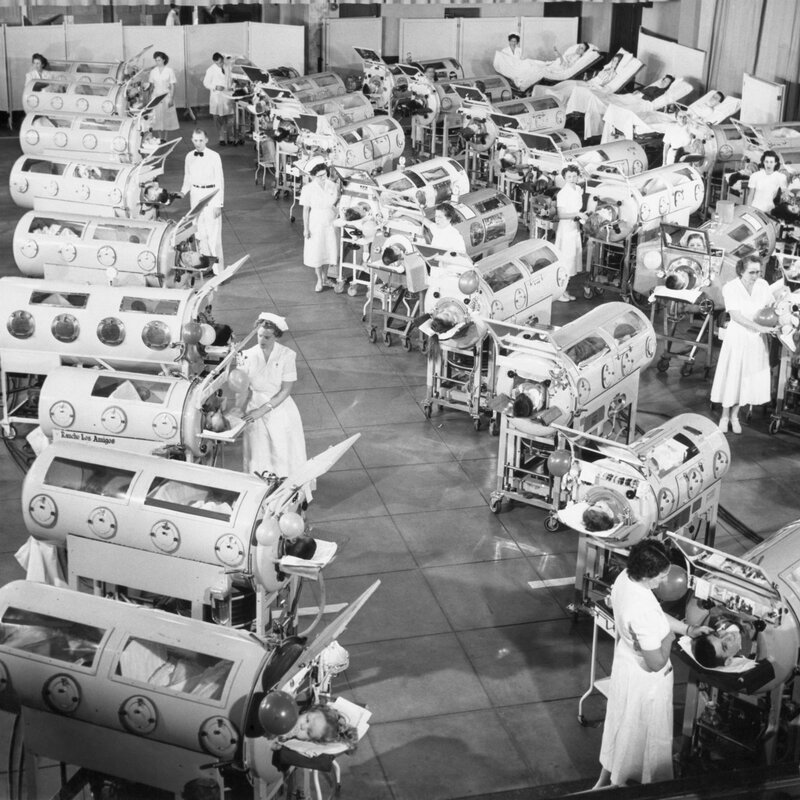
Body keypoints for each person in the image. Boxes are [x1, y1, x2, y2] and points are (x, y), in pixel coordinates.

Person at [593, 540, 712, 790]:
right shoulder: (641, 611)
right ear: (647, 574)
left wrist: (689, 629)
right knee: (644, 735)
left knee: (621, 724)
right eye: (661, 576)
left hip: (626, 665)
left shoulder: (627, 577)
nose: (663, 582)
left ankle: (608, 780)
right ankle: (642, 786)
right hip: (646, 681)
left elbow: (656, 612)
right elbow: (657, 662)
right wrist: (670, 638)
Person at [235, 313, 311, 496]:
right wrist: (238, 408)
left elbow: (285, 391)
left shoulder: (287, 355)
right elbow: (242, 387)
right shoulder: (246, 355)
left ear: (276, 336)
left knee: (283, 452)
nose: (262, 340)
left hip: (280, 408)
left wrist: (261, 411)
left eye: (267, 337)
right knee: (259, 452)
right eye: (259, 335)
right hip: (254, 408)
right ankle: (259, 494)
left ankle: (288, 493)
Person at [710, 256, 777, 433]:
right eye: (752, 272)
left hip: (755, 340)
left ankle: (735, 415)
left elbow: (771, 304)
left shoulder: (762, 285)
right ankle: (725, 415)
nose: (756, 276)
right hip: (737, 337)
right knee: (732, 376)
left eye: (758, 272)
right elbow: (736, 317)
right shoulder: (730, 288)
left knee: (746, 378)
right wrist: (760, 327)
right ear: (741, 271)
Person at [179, 129, 225, 272]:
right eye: (195, 140)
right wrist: (182, 191)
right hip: (195, 194)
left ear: (206, 140)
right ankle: (205, 267)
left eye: (200, 140)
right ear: (192, 140)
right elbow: (188, 177)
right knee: (200, 234)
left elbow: (219, 180)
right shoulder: (189, 156)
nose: (197, 143)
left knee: (213, 234)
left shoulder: (214, 156)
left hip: (211, 195)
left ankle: (219, 271)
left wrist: (218, 204)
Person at [299, 161, 339, 292]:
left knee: (328, 250)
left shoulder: (332, 185)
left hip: (330, 220)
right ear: (312, 176)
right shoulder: (308, 189)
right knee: (317, 252)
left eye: (324, 174)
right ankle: (319, 280)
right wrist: (306, 229)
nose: (323, 178)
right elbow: (305, 210)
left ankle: (326, 277)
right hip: (315, 222)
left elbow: (334, 203)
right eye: (320, 176)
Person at [555, 164, 586, 301]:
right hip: (566, 229)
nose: (572, 179)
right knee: (566, 261)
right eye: (569, 177)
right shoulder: (563, 193)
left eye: (574, 176)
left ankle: (564, 290)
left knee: (572, 260)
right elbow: (561, 215)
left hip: (575, 228)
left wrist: (582, 215)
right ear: (564, 178)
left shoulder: (578, 189)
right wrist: (577, 214)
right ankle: (559, 292)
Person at [147, 51, 179, 141]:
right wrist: (149, 98)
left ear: (164, 60)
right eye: (156, 60)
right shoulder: (153, 71)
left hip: (166, 96)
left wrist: (171, 99)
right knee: (157, 117)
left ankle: (165, 138)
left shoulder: (169, 70)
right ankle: (160, 137)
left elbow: (173, 85)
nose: (157, 62)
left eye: (159, 60)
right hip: (155, 96)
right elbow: (151, 86)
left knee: (166, 117)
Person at [203, 52, 234, 146]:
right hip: (217, 96)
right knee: (217, 118)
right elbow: (206, 83)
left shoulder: (228, 66)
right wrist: (215, 87)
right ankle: (220, 136)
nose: (219, 64)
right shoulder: (210, 70)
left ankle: (230, 137)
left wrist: (233, 86)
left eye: (220, 62)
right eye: (217, 63)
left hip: (228, 95)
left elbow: (232, 79)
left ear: (223, 59)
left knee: (230, 118)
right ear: (214, 62)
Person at [747, 150, 788, 215]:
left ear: (775, 163)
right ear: (763, 162)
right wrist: (748, 210)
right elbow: (750, 195)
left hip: (770, 210)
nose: (768, 164)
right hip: (754, 209)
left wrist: (785, 195)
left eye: (771, 162)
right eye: (766, 162)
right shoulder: (755, 176)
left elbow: (785, 193)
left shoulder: (781, 177)